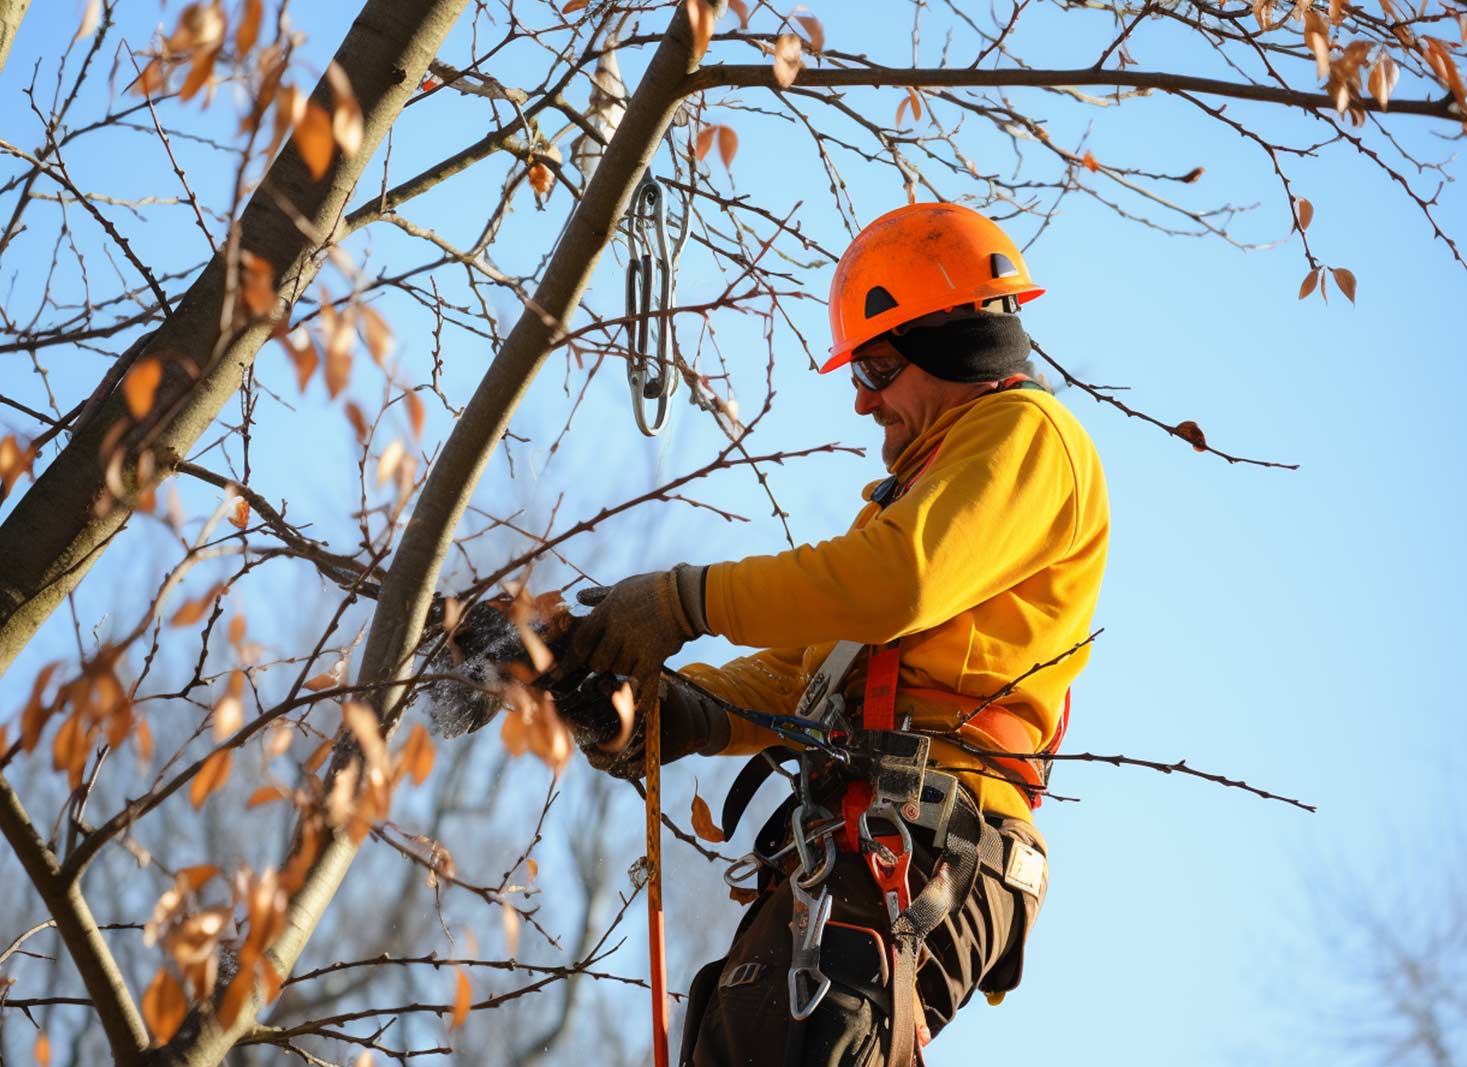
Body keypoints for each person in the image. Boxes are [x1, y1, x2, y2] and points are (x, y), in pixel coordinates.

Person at [560, 202, 1110, 1066]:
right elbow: (800, 680)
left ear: (953, 345)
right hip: (863, 842)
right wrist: (671, 709)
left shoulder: (1025, 438)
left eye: (880, 366)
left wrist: (681, 601)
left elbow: (896, 584)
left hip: (926, 837)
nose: (863, 399)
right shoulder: (923, 496)